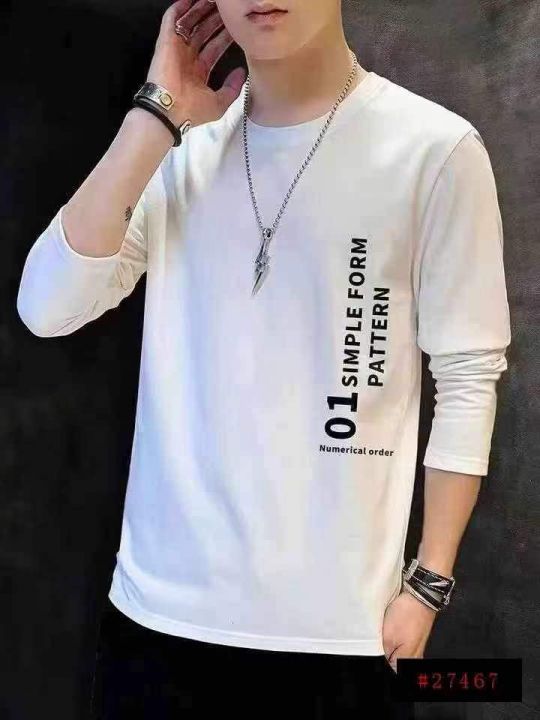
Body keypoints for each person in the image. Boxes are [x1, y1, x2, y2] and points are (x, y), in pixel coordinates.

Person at [16, 0, 512, 717]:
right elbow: (47, 308)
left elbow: (467, 376)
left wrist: (429, 583)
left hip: (341, 635)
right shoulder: (177, 150)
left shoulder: (433, 149)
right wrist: (155, 118)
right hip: (159, 622)